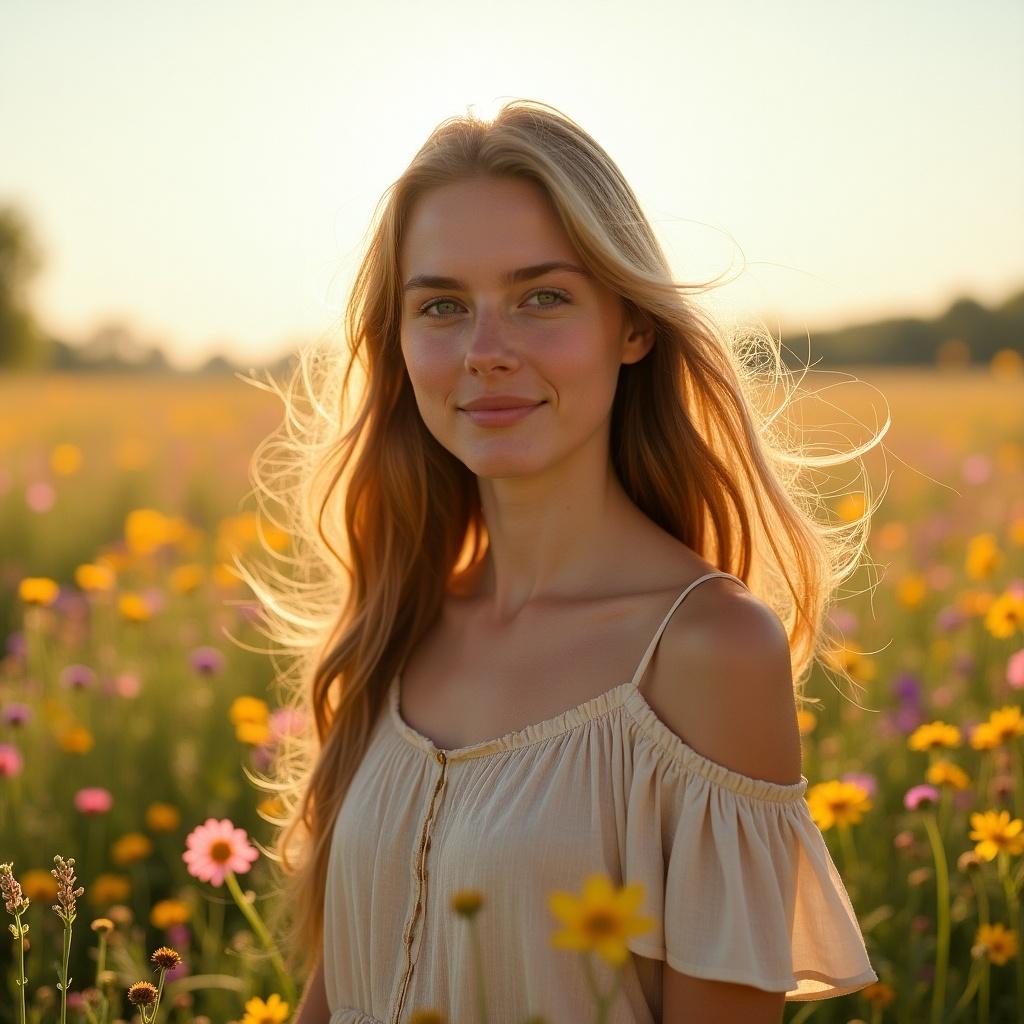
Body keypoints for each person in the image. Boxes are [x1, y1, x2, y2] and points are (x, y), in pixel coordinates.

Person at [244, 99, 882, 1024]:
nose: (486, 352)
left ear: (632, 326)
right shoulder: (401, 623)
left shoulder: (706, 653)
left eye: (542, 296)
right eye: (442, 306)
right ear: (400, 342)